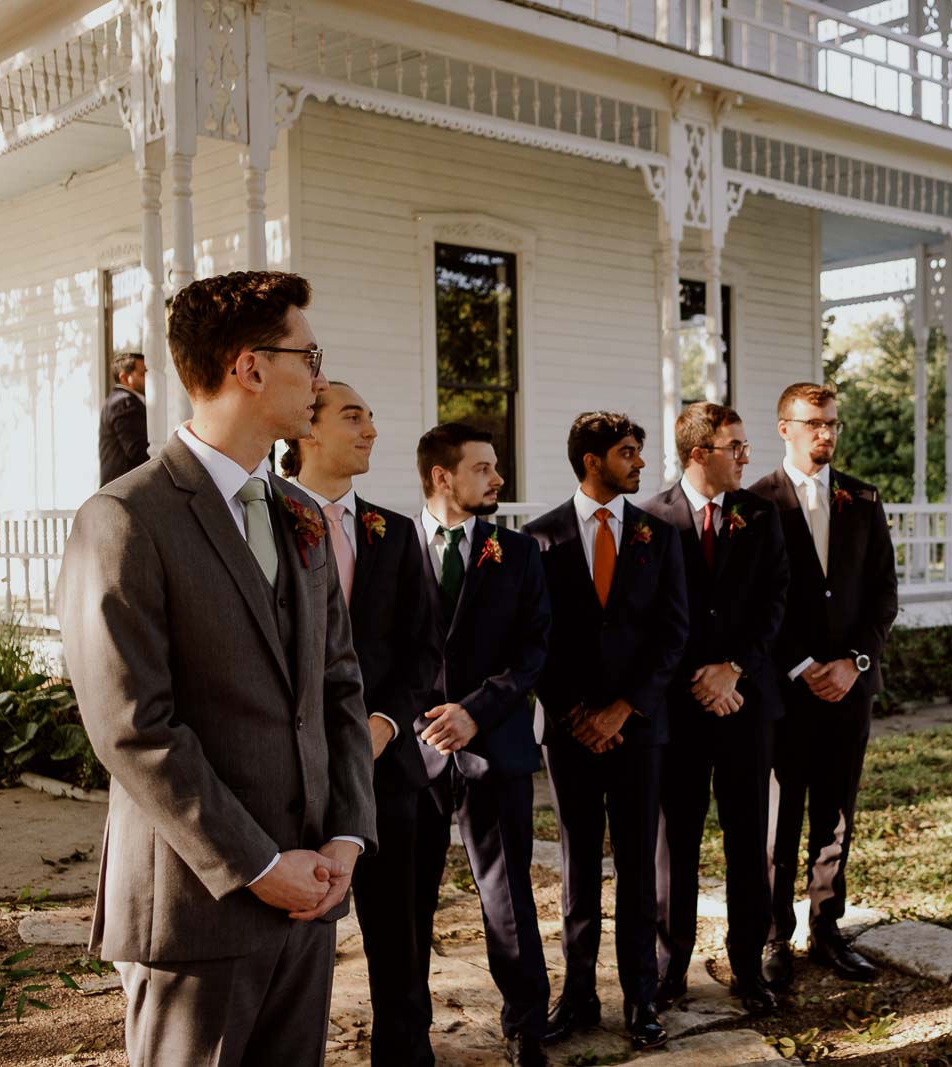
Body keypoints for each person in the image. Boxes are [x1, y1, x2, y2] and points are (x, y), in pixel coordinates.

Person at [58, 271, 374, 1066]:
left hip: (312, 896)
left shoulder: (300, 514)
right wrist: (259, 864)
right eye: (311, 356)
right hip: (197, 909)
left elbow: (338, 685)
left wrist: (342, 837)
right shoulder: (126, 517)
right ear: (251, 368)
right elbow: (133, 727)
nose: (321, 377)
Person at [281, 384, 442, 1067]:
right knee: (291, 943)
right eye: (354, 416)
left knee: (399, 941)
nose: (372, 429)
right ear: (306, 430)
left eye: (373, 416)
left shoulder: (395, 531)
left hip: (386, 774)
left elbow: (422, 647)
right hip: (287, 776)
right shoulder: (266, 522)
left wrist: (386, 720)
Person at [525, 412, 688, 1052]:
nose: (639, 464)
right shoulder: (538, 539)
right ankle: (579, 995)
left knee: (639, 868)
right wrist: (574, 714)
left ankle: (641, 1000)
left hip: (639, 730)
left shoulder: (658, 535)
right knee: (578, 866)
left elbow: (673, 634)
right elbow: (533, 638)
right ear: (592, 460)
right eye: (627, 453)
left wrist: (622, 710)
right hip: (568, 734)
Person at [412, 422, 553, 1067]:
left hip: (493, 744)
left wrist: (474, 713)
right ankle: (407, 1029)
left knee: (507, 891)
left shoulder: (518, 553)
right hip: (409, 753)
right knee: (408, 896)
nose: (499, 480)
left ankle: (527, 1021)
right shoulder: (387, 546)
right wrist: (416, 726)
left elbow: (534, 652)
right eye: (484, 468)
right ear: (443, 476)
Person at [749, 382, 897, 988]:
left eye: (832, 422)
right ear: (784, 427)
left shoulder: (863, 498)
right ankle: (771, 936)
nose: (826, 434)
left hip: (849, 688)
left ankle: (827, 929)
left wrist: (853, 662)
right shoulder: (755, 502)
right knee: (778, 819)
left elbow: (883, 596)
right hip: (786, 691)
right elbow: (752, 602)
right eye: (813, 423)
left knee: (836, 814)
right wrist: (800, 664)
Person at [643, 403, 788, 1016]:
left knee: (748, 834)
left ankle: (748, 964)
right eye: (736, 447)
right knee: (674, 839)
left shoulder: (761, 515)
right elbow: (645, 616)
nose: (746, 457)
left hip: (745, 705)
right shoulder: (649, 518)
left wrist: (736, 670)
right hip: (678, 710)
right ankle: (670, 964)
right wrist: (695, 681)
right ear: (700, 453)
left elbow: (776, 601)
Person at [99, 351, 149, 485]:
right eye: (143, 374)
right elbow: (138, 451)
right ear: (125, 378)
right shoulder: (124, 402)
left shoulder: (118, 400)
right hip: (124, 492)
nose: (148, 378)